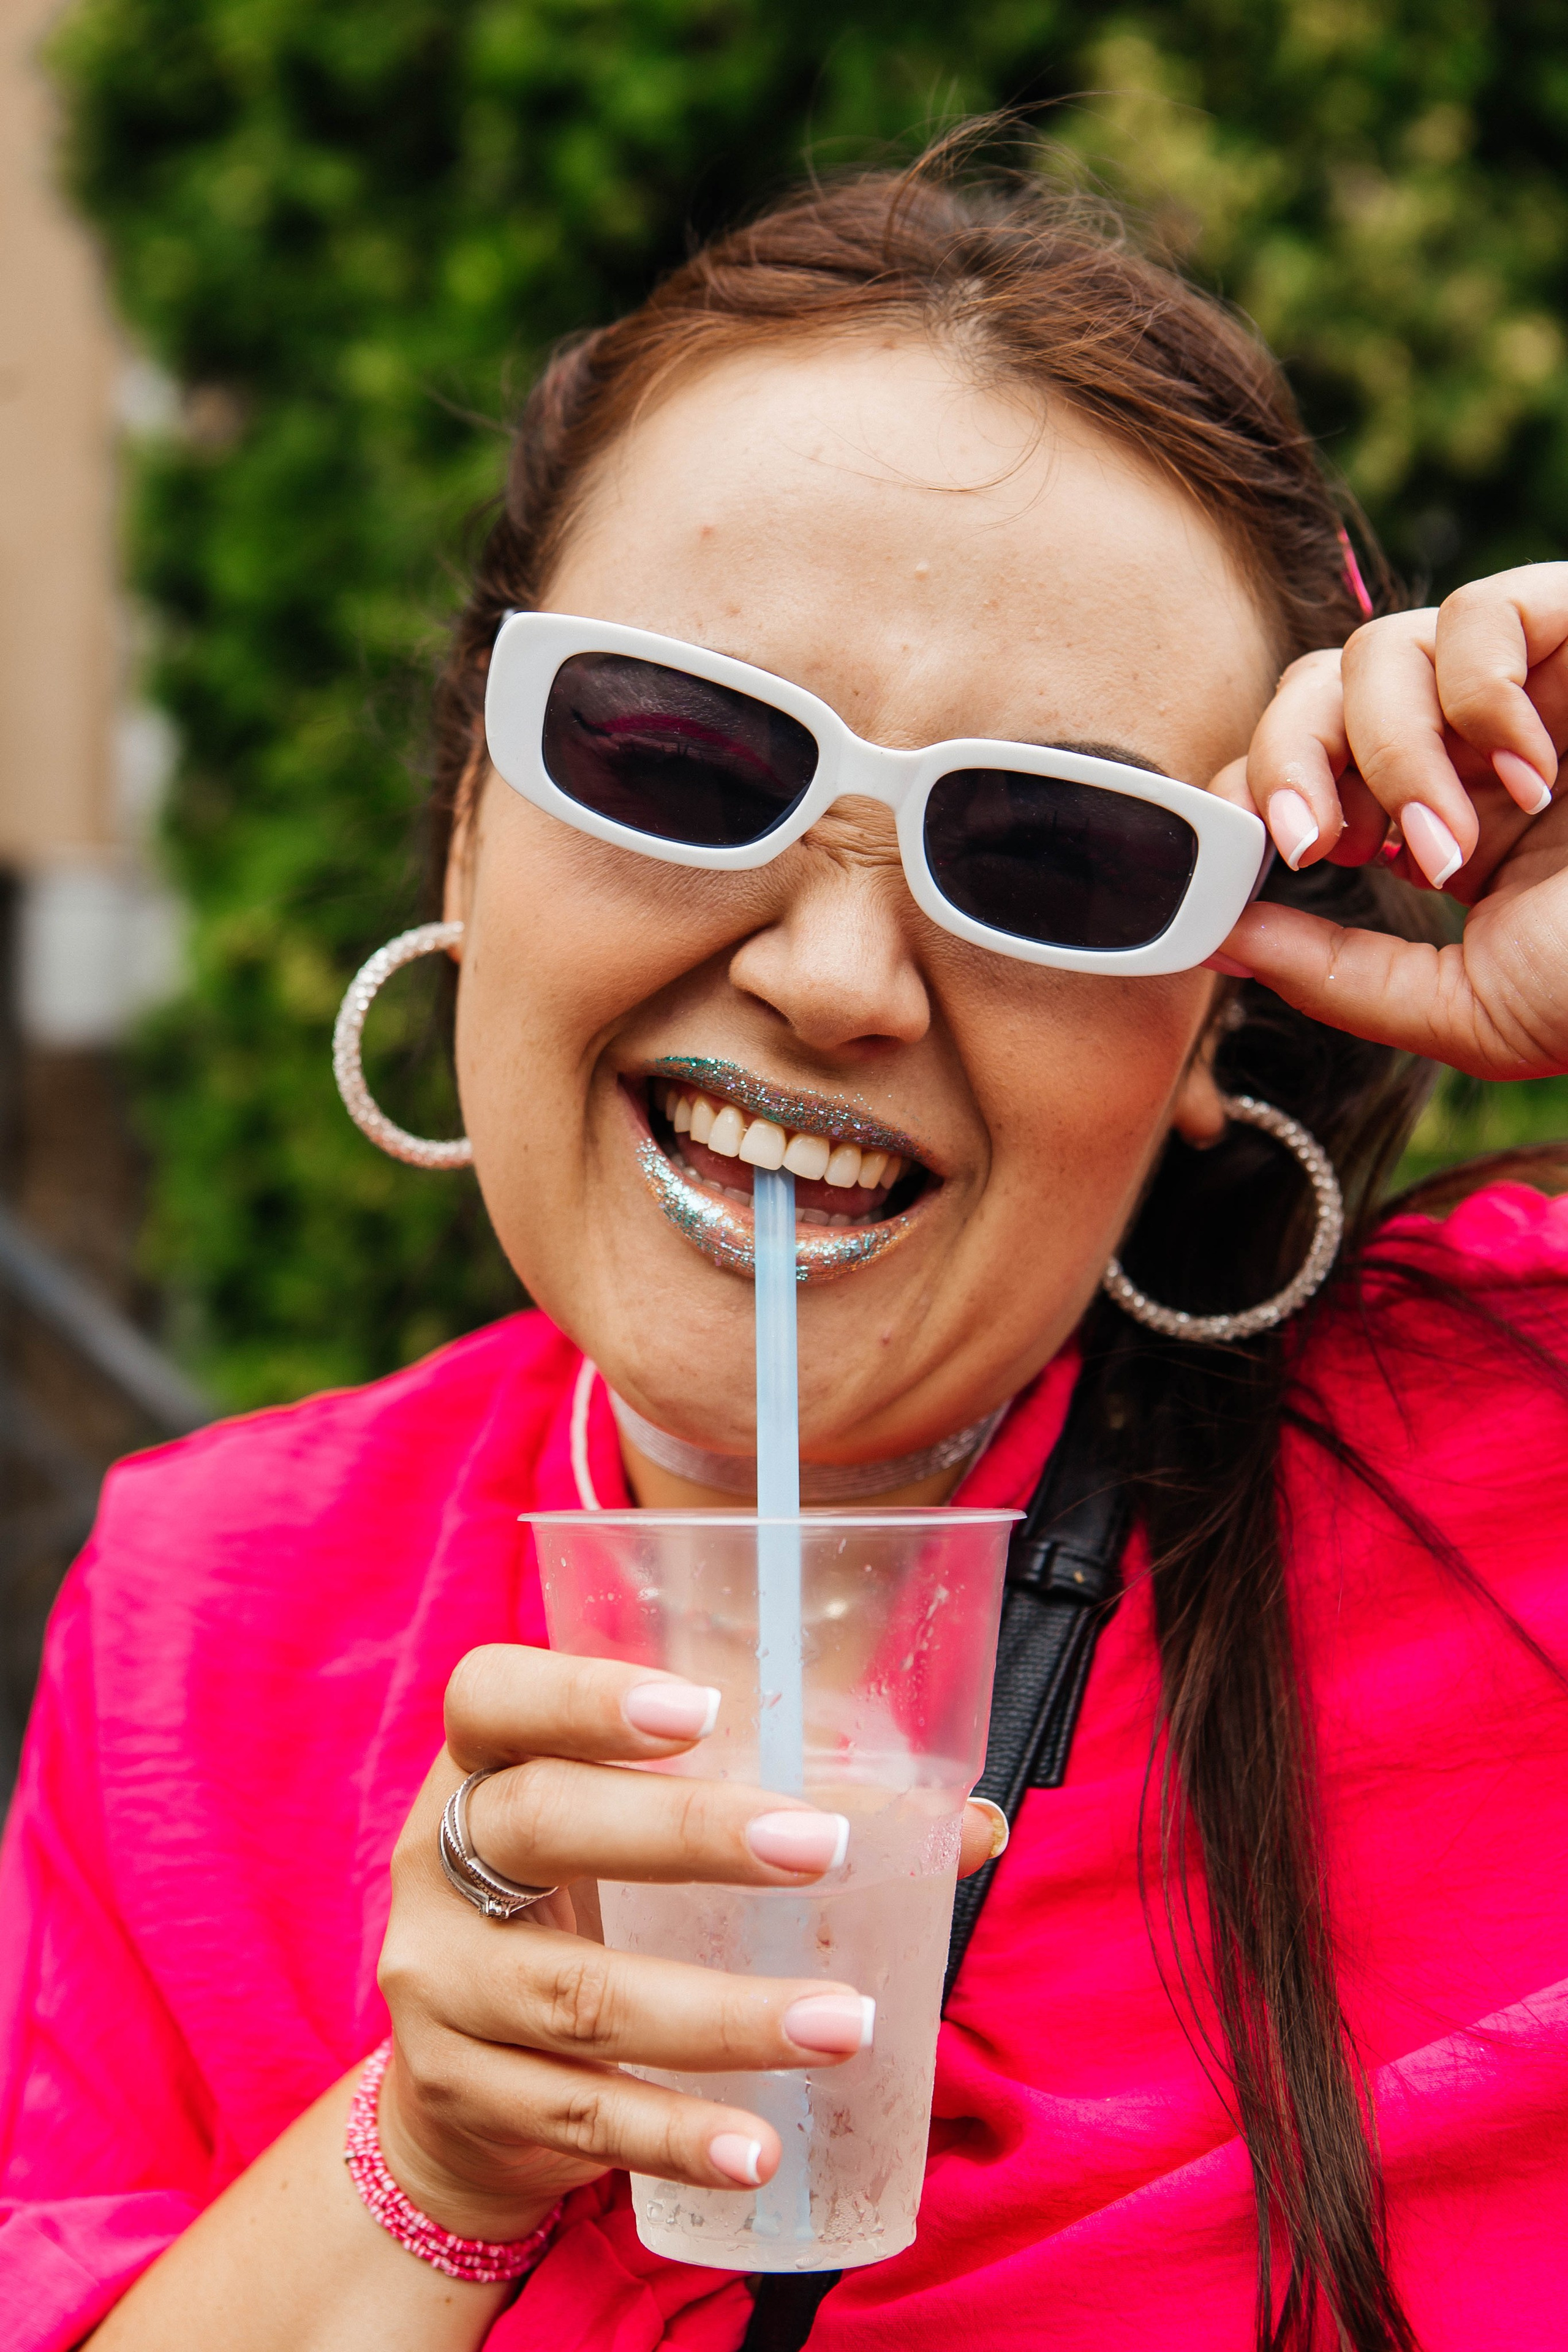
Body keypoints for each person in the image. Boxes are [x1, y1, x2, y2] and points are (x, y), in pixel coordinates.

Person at [3, 135, 1567, 2352]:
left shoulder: (1516, 1474)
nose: (840, 975)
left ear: (1232, 994)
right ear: (477, 814)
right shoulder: (207, 1626)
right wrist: (428, 2161)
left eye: (1061, 854)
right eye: (671, 751)